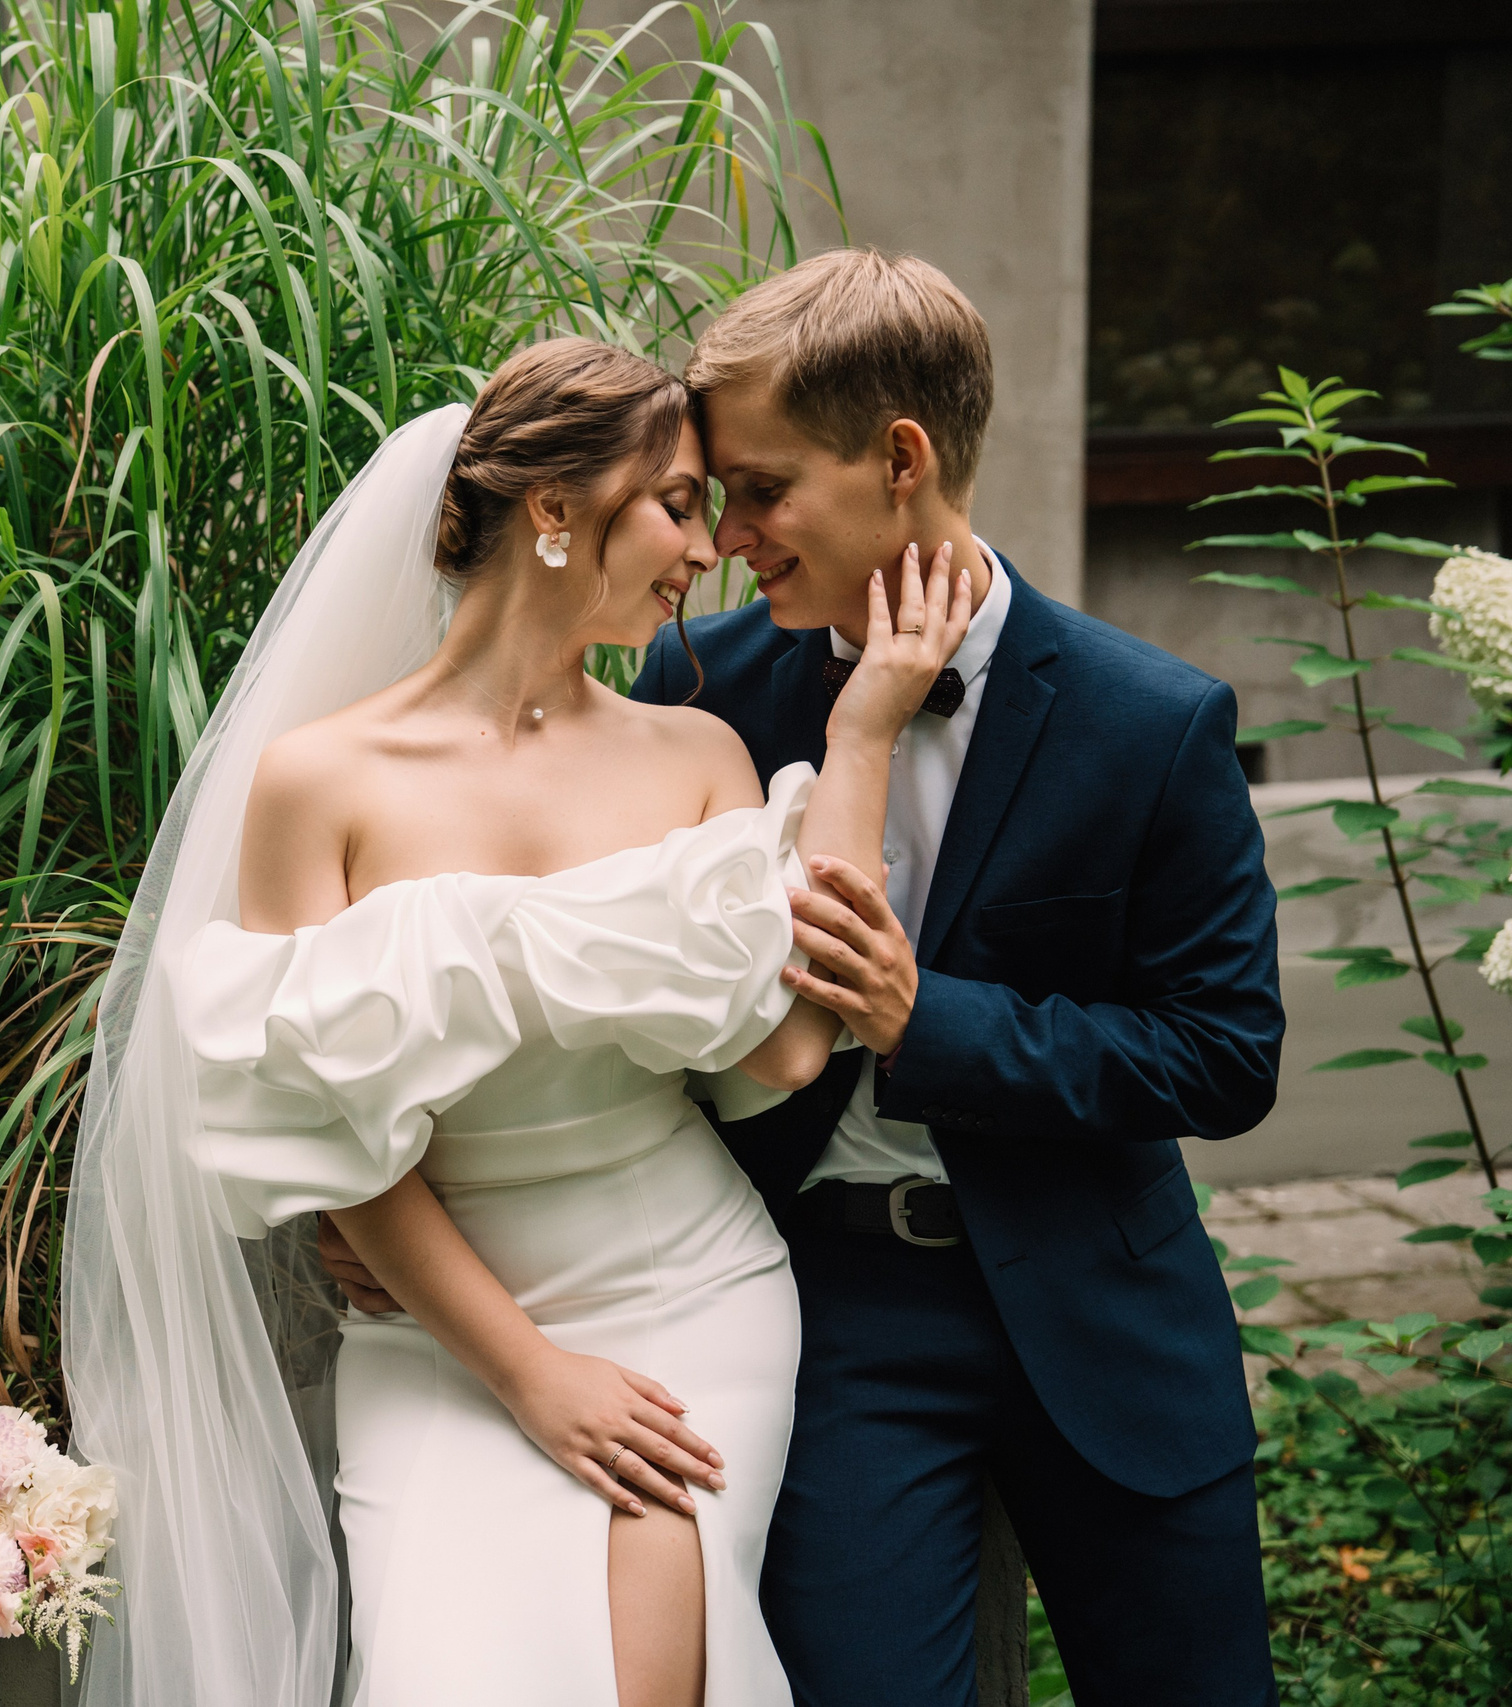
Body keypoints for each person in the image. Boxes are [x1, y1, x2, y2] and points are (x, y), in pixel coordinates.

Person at [335, 250, 1284, 1705]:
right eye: (705, 497)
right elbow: (528, 956)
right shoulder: (690, 687)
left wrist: (926, 1022)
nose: (727, 537)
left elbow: (1221, 1056)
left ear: (900, 459)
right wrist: (406, 1201)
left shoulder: (1150, 721)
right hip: (825, 1308)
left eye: (762, 489)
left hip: (1103, 1305)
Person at [62, 337, 966, 1707]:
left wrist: (861, 741)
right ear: (553, 508)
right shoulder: (323, 782)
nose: (704, 548)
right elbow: (327, 1137)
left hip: (690, 1307)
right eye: (672, 501)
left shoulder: (697, 754)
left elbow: (784, 1057)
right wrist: (533, 1374)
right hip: (439, 1337)